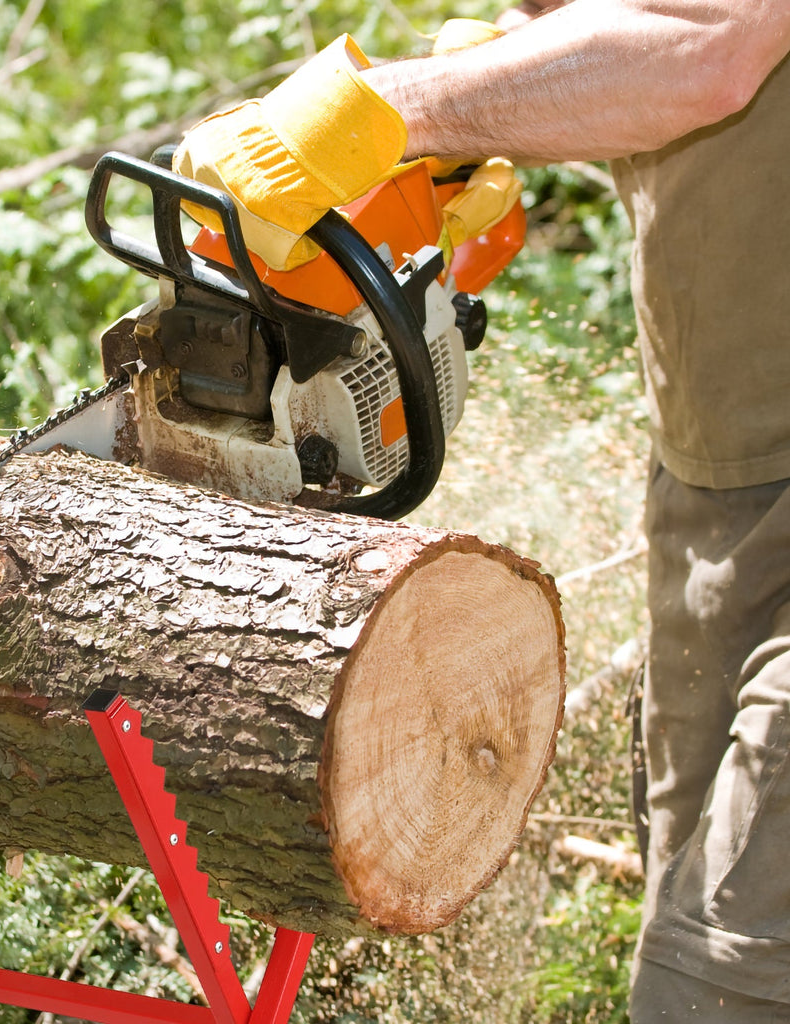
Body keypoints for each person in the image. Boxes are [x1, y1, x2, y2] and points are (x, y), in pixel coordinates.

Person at [172, 2, 790, 1019]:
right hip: (719, 471)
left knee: (716, 976)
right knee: (690, 874)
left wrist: (393, 111)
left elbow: (708, 50)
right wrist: (499, 83)